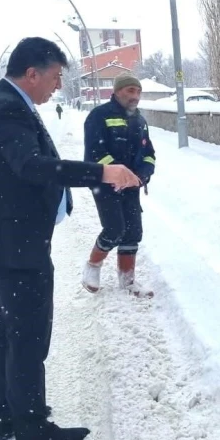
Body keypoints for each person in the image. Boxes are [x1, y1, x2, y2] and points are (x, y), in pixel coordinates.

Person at [0, 37, 141, 440]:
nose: (57, 86)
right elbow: (31, 166)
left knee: (9, 329)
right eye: (54, 77)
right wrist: (104, 174)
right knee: (28, 337)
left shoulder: (4, 102)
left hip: (4, 240)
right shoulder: (4, 107)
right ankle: (33, 432)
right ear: (32, 73)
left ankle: (9, 419)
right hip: (13, 246)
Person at [81, 73, 156, 298]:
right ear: (116, 92)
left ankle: (127, 280)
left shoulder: (140, 121)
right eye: (130, 91)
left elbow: (148, 154)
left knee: (133, 232)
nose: (135, 96)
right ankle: (92, 267)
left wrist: (142, 175)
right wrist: (118, 174)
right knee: (114, 229)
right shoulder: (99, 116)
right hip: (105, 184)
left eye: (138, 92)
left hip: (132, 186)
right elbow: (94, 153)